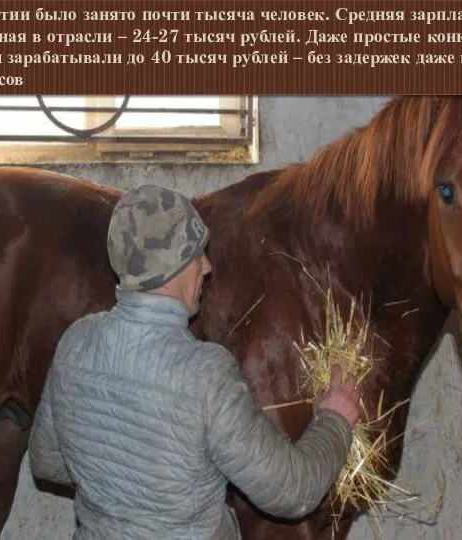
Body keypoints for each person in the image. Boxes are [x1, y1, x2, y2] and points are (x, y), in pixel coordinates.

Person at [28, 184, 362, 540]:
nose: (207, 266)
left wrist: (117, 480)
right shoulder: (204, 374)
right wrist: (335, 421)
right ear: (171, 272)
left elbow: (45, 460)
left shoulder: (75, 343)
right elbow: (291, 493)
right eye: (196, 254)